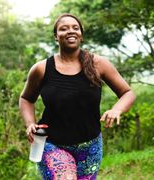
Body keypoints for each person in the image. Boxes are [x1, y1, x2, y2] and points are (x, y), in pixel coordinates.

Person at [19, 13, 136, 180]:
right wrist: (30, 123)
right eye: (63, 28)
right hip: (51, 144)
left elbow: (127, 93)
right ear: (55, 36)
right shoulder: (41, 69)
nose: (70, 31)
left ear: (81, 34)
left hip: (90, 145)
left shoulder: (98, 64)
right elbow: (26, 99)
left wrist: (116, 109)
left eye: (75, 28)